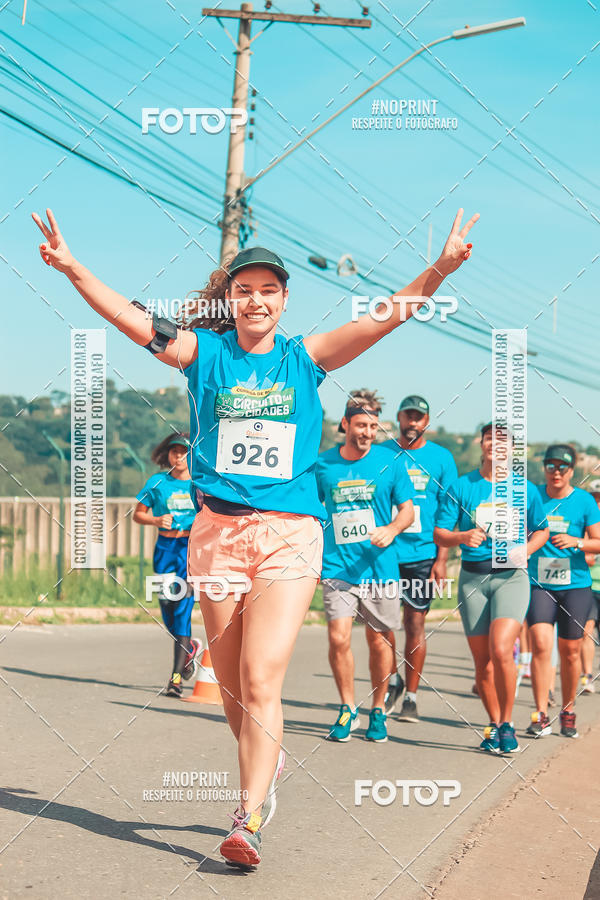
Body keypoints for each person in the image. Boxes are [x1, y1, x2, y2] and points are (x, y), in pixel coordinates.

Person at [32, 205, 479, 869]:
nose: (257, 299)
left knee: (263, 675)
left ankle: (248, 815)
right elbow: (129, 320)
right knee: (236, 687)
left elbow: (389, 314)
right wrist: (72, 270)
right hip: (214, 535)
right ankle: (264, 767)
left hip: (289, 536)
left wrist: (439, 268)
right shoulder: (203, 355)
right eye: (246, 289)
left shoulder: (307, 358)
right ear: (232, 299)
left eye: (270, 290)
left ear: (284, 300)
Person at [434, 422, 549, 755]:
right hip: (473, 578)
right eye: (489, 440)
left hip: (511, 577)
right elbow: (440, 532)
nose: (494, 446)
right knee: (483, 662)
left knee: (501, 649)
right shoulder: (461, 486)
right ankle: (494, 723)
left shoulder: (524, 489)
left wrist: (526, 550)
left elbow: (541, 530)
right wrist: (461, 537)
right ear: (481, 444)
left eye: (502, 442)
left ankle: (508, 723)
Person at [315, 390, 414, 744]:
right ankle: (346, 707)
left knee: (378, 642)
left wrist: (392, 528)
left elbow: (407, 510)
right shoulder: (323, 465)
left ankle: (377, 709)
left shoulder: (392, 462)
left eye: (373, 426)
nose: (367, 432)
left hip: (379, 569)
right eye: (360, 425)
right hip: (337, 567)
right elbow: (310, 512)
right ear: (345, 425)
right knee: (338, 637)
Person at [383, 395, 457, 722]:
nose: (413, 422)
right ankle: (392, 681)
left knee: (415, 622)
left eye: (419, 417)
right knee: (381, 624)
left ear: (428, 421)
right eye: (408, 416)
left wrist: (441, 559)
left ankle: (410, 696)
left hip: (422, 553)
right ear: (399, 417)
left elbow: (448, 511)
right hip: (383, 551)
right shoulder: (381, 452)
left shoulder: (441, 459)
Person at [527, 449, 600, 738]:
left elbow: (598, 542)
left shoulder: (583, 501)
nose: (556, 472)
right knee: (541, 646)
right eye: (550, 465)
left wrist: (577, 542)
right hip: (539, 584)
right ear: (544, 467)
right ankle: (540, 712)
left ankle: (567, 710)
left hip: (575, 586)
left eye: (562, 467)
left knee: (570, 652)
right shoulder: (533, 496)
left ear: (572, 469)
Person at [133, 433, 201, 697]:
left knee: (183, 609)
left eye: (183, 452)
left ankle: (175, 679)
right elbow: (138, 514)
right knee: (168, 610)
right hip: (164, 550)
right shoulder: (157, 482)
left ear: (190, 455)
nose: (179, 457)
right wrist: (155, 521)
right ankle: (189, 649)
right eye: (175, 452)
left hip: (188, 551)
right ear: (168, 455)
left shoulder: (199, 484)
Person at [581, 491, 600, 693]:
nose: (597, 503)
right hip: (589, 585)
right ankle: (587, 675)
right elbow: (585, 556)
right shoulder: (585, 526)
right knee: (586, 630)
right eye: (595, 500)